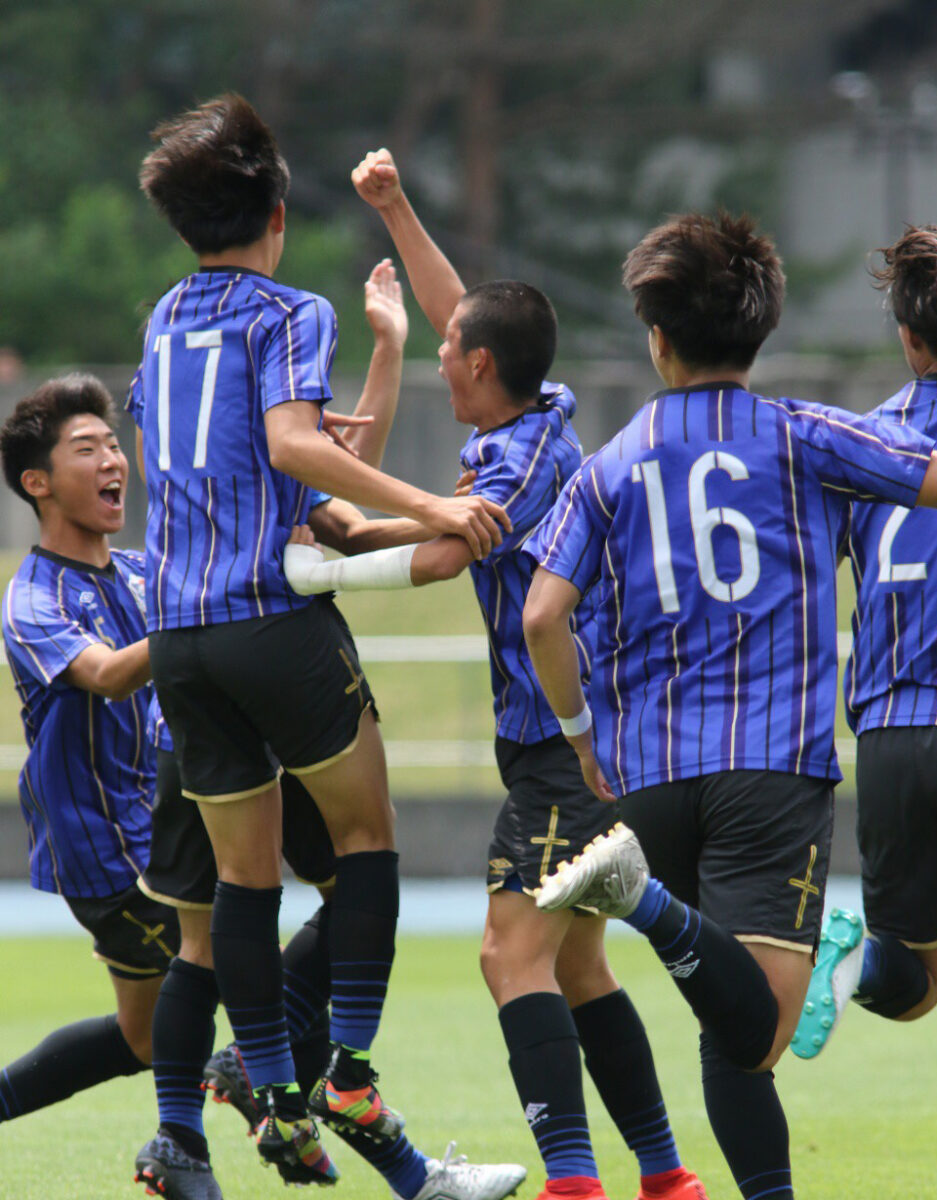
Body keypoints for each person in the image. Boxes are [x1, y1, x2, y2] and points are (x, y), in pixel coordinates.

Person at [518, 212, 937, 1200]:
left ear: (657, 337)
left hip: (646, 777)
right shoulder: (806, 435)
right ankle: (646, 906)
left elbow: (541, 616)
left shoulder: (608, 467)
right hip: (770, 766)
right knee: (758, 1027)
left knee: (733, 1036)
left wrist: (577, 729)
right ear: (763, 326)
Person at [283, 147, 708, 1200]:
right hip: (578, 737)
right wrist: (394, 209)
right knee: (575, 966)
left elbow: (435, 556)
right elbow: (462, 314)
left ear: (477, 370)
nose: (440, 354)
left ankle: (572, 1182)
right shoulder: (539, 406)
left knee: (506, 960)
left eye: (450, 352)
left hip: (567, 745)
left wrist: (319, 555)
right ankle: (664, 1176)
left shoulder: (517, 461)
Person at [130, 91, 511, 1186]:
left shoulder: (163, 320)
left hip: (181, 638)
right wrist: (438, 509)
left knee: (246, 883)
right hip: (269, 623)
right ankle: (346, 1069)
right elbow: (297, 451)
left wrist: (381, 368)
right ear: (277, 214)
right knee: (366, 847)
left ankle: (276, 1096)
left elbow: (273, 470)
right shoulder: (287, 312)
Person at [791, 222, 937, 1059]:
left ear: (908, 340)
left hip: (894, 735)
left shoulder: (861, 438)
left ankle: (835, 963)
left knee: (914, 987)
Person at [0, 374, 179, 1126]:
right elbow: (105, 676)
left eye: (113, 444)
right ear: (37, 482)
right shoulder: (32, 598)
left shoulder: (139, 573)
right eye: (87, 448)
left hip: (159, 833)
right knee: (249, 977)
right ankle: (405, 1165)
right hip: (108, 857)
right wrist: (198, 619)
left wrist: (389, 354)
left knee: (142, 1039)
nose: (112, 460)